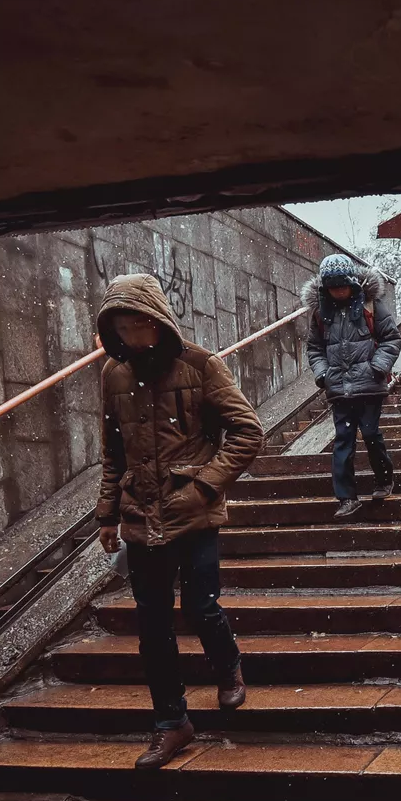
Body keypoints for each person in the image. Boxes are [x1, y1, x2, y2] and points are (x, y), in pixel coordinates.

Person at [95, 273, 265, 768]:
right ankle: (171, 722)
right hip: (140, 515)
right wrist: (107, 515)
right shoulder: (114, 374)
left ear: (157, 320)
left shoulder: (200, 365)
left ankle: (228, 666)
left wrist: (204, 487)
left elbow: (248, 431)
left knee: (201, 605)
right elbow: (113, 451)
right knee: (152, 625)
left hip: (192, 514)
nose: (130, 336)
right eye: (121, 328)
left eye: (137, 324)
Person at [304, 252, 401, 518]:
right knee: (343, 442)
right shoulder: (320, 313)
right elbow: (314, 348)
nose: (338, 291)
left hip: (369, 386)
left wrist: (377, 367)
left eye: (342, 285)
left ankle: (384, 480)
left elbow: (392, 338)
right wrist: (323, 374)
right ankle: (346, 497)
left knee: (371, 435)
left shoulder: (371, 305)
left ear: (352, 282)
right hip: (339, 389)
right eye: (332, 287)